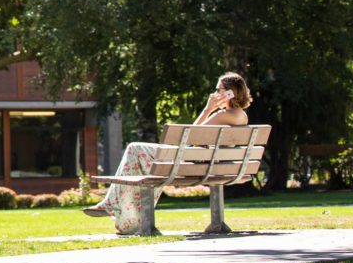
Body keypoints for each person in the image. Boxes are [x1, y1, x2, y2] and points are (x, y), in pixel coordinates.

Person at [84, 72, 253, 234]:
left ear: (232, 93)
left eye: (219, 90)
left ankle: (116, 208)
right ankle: (125, 216)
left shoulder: (222, 115)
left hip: (188, 163)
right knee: (140, 161)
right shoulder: (241, 116)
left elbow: (189, 136)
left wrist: (208, 109)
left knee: (134, 149)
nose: (214, 93)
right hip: (203, 165)